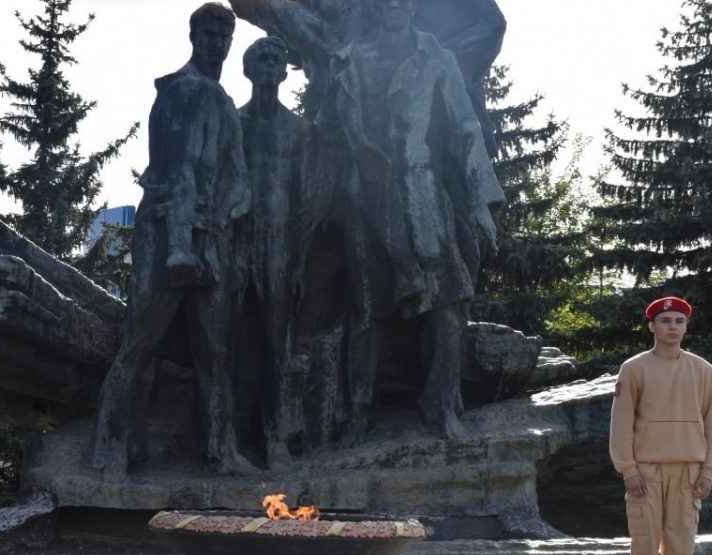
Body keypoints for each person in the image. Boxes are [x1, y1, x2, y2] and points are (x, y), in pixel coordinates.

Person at [324, 0, 504, 439]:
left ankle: (442, 404)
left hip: (421, 190)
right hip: (363, 195)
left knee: (448, 299)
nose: (394, 6)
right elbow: (327, 134)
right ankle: (360, 410)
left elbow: (464, 125)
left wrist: (481, 199)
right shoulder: (348, 59)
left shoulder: (437, 57)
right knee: (366, 307)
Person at [91, 3, 251, 476]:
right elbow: (179, 164)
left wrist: (217, 221)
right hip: (167, 231)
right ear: (193, 36)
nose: (216, 43)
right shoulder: (183, 91)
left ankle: (222, 451)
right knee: (141, 341)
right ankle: (112, 448)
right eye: (209, 33)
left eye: (224, 35)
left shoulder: (221, 99)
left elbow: (238, 178)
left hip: (208, 233)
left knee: (216, 351)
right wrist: (181, 240)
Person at [609, 296, 712, 555]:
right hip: (646, 472)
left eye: (678, 321)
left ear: (686, 327)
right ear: (652, 327)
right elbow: (621, 423)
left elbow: (711, 422)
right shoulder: (634, 368)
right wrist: (628, 469)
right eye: (666, 321)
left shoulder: (703, 370)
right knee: (644, 548)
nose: (673, 327)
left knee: (680, 552)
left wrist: (709, 470)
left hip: (689, 472)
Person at [236, 36, 309, 467]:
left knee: (275, 345)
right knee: (229, 343)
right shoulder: (232, 122)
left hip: (280, 245)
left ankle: (274, 436)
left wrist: (298, 262)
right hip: (237, 241)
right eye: (260, 58)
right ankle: (233, 436)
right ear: (248, 69)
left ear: (284, 72)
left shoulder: (299, 130)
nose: (268, 64)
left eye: (276, 59)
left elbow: (304, 202)